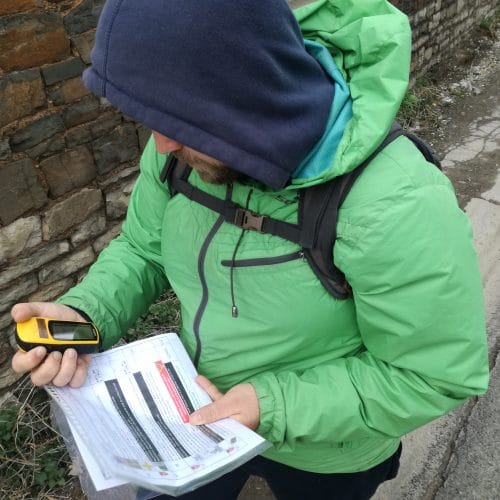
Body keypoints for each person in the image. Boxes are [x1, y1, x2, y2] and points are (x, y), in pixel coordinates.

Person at [11, 1, 489, 499]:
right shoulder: (184, 149)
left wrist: (272, 406)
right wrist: (87, 313)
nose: (161, 144)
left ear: (243, 98)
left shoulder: (396, 200)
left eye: (178, 122)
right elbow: (143, 248)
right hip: (197, 413)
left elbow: (431, 372)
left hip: (331, 451)